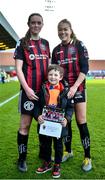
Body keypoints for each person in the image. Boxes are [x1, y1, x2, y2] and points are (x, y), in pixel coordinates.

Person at [51, 19, 92, 172]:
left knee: (81, 122)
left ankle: (87, 156)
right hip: (63, 91)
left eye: (65, 29)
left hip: (78, 89)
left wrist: (74, 87)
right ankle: (68, 151)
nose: (63, 32)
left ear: (70, 30)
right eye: (60, 30)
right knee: (65, 121)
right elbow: (55, 71)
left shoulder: (79, 45)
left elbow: (85, 68)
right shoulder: (56, 50)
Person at [14, 13, 50, 172]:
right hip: (28, 92)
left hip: (43, 93)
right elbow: (18, 69)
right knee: (25, 125)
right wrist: (27, 89)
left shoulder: (46, 43)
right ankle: (22, 159)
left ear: (42, 24)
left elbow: (48, 67)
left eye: (39, 23)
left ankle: (44, 156)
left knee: (44, 123)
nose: (36, 25)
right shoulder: (22, 43)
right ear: (28, 24)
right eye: (33, 22)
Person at [36, 64, 74, 178]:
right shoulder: (42, 89)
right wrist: (37, 116)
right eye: (51, 74)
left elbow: (70, 108)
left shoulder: (66, 91)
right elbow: (37, 106)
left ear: (60, 77)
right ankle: (47, 162)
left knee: (58, 145)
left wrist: (67, 119)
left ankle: (57, 164)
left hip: (59, 125)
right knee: (45, 144)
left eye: (55, 75)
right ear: (47, 76)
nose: (53, 77)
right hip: (45, 123)